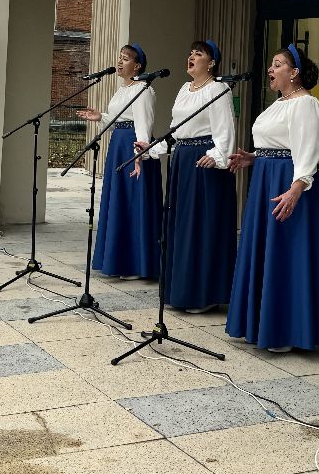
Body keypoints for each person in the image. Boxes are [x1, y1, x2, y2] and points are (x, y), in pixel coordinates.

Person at [226, 43, 319, 353]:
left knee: (285, 255)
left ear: (294, 72)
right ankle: (263, 324)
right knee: (267, 252)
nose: (270, 70)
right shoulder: (280, 103)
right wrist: (254, 158)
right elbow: (279, 144)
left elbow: (306, 149)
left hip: (291, 184)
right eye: (271, 65)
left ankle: (286, 330)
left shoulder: (305, 104)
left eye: (278, 65)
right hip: (267, 180)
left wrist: (297, 187)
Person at [139, 40, 236, 313]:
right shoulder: (184, 89)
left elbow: (225, 131)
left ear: (212, 63)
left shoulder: (219, 90)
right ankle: (180, 290)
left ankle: (202, 293)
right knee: (181, 225)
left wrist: (218, 156)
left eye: (199, 54)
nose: (191, 57)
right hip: (182, 160)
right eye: (190, 52)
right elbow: (176, 131)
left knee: (200, 226)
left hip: (203, 163)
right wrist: (154, 148)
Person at [77, 43, 162, 280]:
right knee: (119, 201)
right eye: (120, 57)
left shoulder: (143, 89)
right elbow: (119, 120)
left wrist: (140, 156)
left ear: (137, 66)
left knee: (133, 202)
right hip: (118, 145)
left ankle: (135, 263)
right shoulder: (122, 89)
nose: (120, 61)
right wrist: (101, 117)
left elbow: (143, 124)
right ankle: (118, 259)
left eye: (126, 59)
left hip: (133, 147)